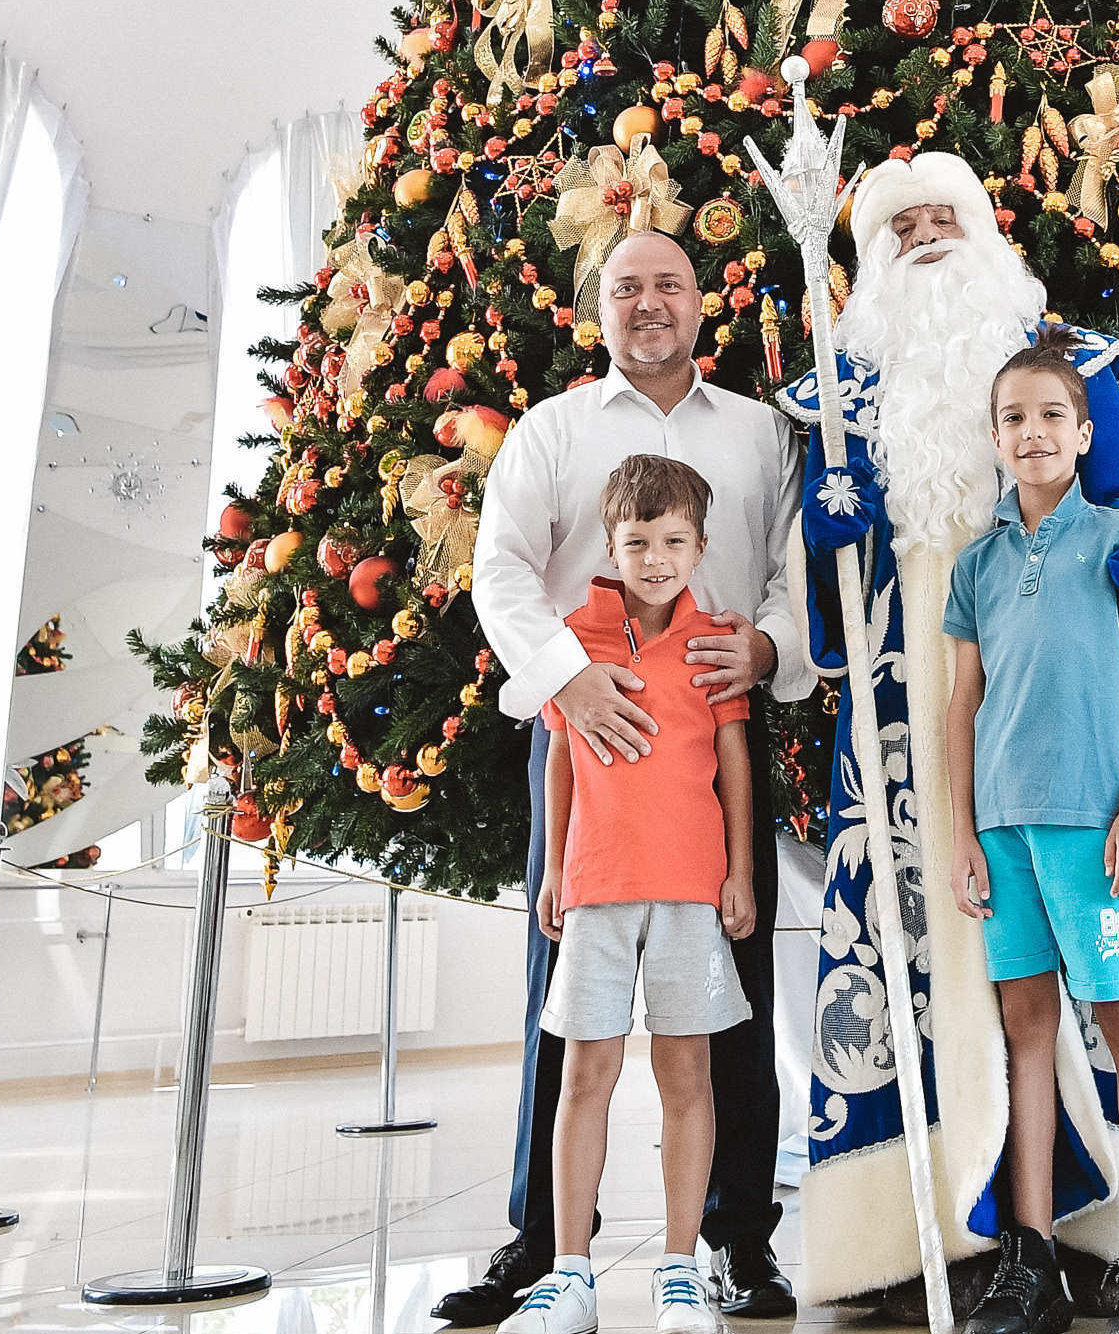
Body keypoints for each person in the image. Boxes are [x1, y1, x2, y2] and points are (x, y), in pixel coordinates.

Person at [776, 151, 1119, 1312]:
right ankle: (953, 1231)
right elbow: (823, 612)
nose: (929, 234)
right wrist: (825, 534)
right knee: (967, 974)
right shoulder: (837, 401)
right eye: (904, 225)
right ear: (873, 258)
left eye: (949, 214)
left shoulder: (1072, 375)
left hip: (1083, 754)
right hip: (919, 724)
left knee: (1118, 995)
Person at [448, 231, 809, 1328]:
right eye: (625, 288)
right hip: (584, 751)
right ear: (593, 307)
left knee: (730, 1013)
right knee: (563, 1014)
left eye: (668, 284)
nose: (648, 303)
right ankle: (544, 1246)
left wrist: (763, 649)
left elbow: (798, 567)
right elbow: (499, 565)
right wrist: (569, 674)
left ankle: (736, 1240)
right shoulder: (553, 432)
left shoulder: (758, 433)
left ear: (703, 302)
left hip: (712, 744)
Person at [943, 331, 1119, 1334]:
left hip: (1097, 830)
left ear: (1085, 433)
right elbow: (961, 704)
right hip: (1002, 832)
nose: (1032, 431)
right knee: (1027, 1030)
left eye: (1051, 414)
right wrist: (960, 831)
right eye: (1014, 418)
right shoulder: (977, 564)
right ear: (995, 439)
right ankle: (1029, 1253)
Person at [501, 455, 757, 1334]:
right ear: (609, 545)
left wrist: (740, 873)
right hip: (598, 887)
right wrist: (552, 873)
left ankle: (679, 1270)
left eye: (673, 541)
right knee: (585, 1074)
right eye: (637, 541)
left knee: (688, 1076)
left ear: (699, 546)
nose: (655, 557)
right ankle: (569, 1273)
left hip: (690, 889)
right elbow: (565, 759)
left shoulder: (715, 639)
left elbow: (731, 762)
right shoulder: (572, 641)